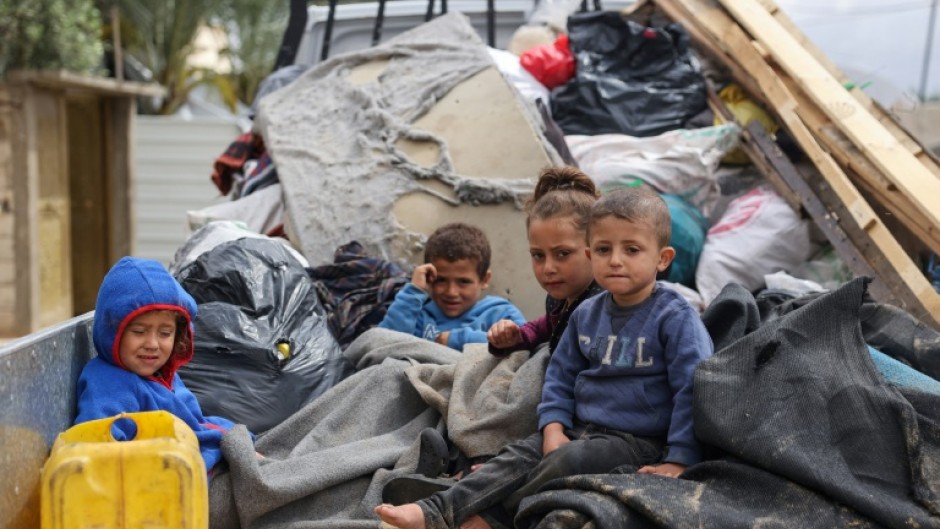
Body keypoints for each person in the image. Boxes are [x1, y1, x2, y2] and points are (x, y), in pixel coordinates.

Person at [375, 186, 714, 529]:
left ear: (662, 258)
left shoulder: (675, 319)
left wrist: (679, 459)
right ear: (590, 254)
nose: (615, 260)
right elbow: (560, 376)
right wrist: (552, 428)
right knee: (519, 454)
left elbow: (692, 390)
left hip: (635, 441)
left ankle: (488, 517)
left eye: (632, 249)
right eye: (603, 249)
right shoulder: (587, 313)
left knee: (566, 461)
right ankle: (433, 509)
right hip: (577, 428)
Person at [74, 256, 247, 474]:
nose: (152, 344)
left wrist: (236, 443)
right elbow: (98, 452)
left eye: (165, 333)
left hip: (200, 466)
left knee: (290, 433)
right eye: (139, 332)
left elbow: (197, 424)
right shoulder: (108, 383)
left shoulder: (163, 375)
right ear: (112, 331)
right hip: (181, 484)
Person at [487, 166, 602, 357]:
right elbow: (547, 326)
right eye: (538, 255)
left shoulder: (609, 307)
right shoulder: (560, 300)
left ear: (597, 248)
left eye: (563, 253)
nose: (548, 268)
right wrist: (517, 336)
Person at [379, 222, 526, 352]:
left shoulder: (500, 314)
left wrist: (456, 340)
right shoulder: (418, 315)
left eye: (463, 282)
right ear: (429, 277)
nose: (451, 292)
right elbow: (382, 345)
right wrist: (413, 291)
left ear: (484, 279)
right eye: (441, 280)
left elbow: (524, 344)